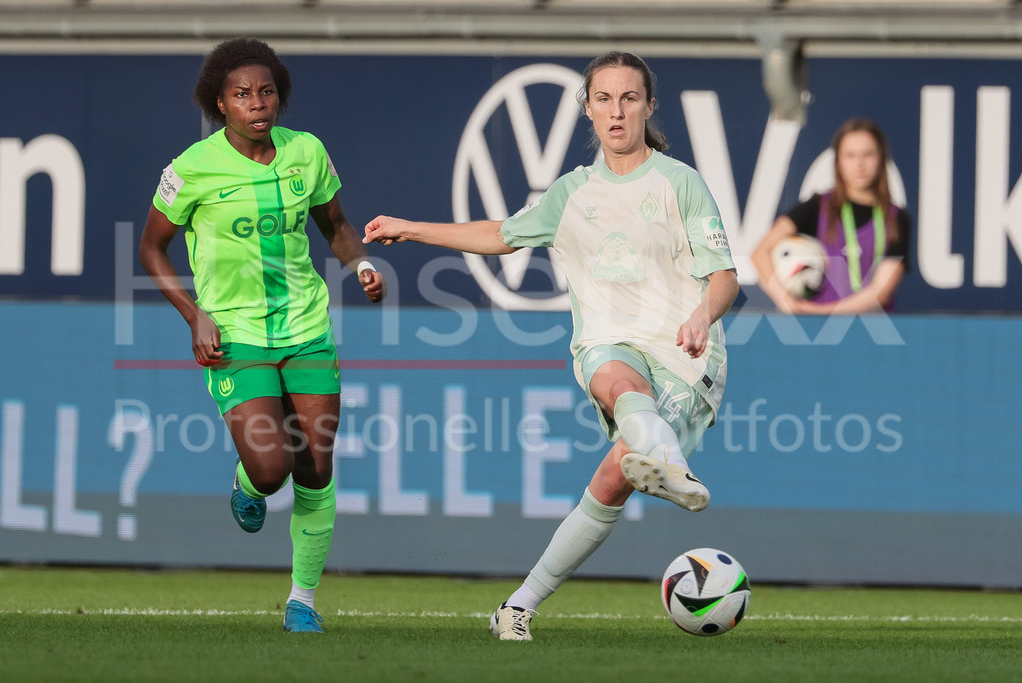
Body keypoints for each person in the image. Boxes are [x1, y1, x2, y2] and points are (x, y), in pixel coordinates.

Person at [363, 51, 739, 642]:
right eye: (604, 99)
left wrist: (700, 314)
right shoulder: (571, 193)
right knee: (616, 379)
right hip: (609, 344)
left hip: (686, 357)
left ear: (648, 105)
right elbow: (500, 234)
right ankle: (664, 458)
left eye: (629, 98)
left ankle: (519, 601)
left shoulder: (680, 183)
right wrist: (411, 228)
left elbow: (725, 278)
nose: (616, 112)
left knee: (612, 481)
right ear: (587, 108)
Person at [139, 37, 386, 633]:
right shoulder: (191, 169)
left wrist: (363, 266)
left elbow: (338, 226)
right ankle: (248, 483)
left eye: (266, 91)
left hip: (306, 328)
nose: (257, 102)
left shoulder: (306, 153)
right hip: (235, 334)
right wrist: (195, 314)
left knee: (316, 469)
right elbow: (151, 248)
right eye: (242, 94)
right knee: (273, 469)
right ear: (219, 104)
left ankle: (301, 602)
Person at [751, 118, 911, 314]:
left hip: (873, 333)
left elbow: (881, 292)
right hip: (820, 333)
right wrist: (786, 301)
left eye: (867, 154)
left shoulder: (896, 218)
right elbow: (760, 253)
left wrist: (820, 311)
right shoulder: (817, 206)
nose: (859, 164)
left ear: (881, 158)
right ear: (838, 162)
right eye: (850, 155)